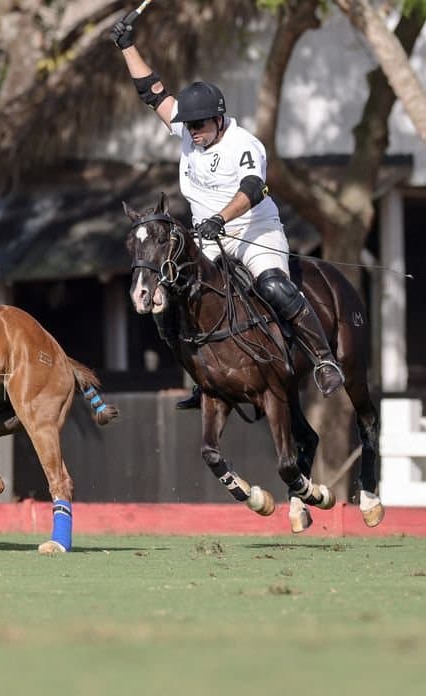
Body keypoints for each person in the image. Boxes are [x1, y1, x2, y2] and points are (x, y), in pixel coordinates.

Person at [109, 15, 345, 406]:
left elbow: (253, 189)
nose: (193, 130)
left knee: (273, 285)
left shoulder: (244, 144)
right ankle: (200, 376)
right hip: (209, 237)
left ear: (218, 119)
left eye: (199, 124)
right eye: (189, 124)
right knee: (167, 299)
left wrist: (222, 217)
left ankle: (322, 360)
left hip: (254, 230)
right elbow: (153, 92)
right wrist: (126, 46)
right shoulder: (188, 132)